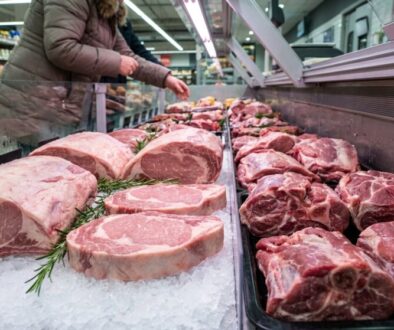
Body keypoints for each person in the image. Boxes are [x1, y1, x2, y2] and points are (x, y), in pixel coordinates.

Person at [0, 0, 189, 138]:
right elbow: (60, 47)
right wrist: (116, 62)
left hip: (59, 105)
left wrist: (165, 78)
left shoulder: (105, 8)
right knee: (33, 177)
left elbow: (127, 55)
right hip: (32, 103)